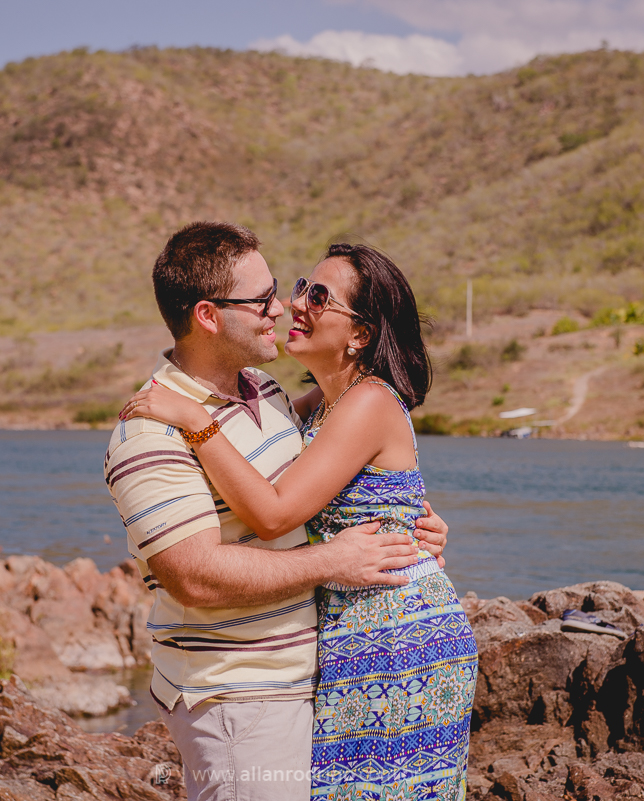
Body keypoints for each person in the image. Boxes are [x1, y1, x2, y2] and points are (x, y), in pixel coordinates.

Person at [104, 222, 450, 801]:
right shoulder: (149, 429)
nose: (284, 306)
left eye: (312, 294)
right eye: (267, 296)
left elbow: (336, 480)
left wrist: (414, 525)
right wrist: (334, 559)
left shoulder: (268, 392)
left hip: (341, 666)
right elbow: (194, 576)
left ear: (360, 332)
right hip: (239, 694)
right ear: (209, 315)